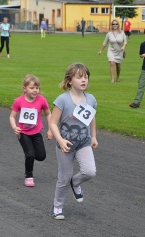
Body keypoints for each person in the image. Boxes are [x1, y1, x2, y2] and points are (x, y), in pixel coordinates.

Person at [49, 62, 98, 220]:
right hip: (66, 145)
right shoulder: (62, 100)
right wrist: (60, 140)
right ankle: (57, 206)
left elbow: (92, 118)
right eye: (79, 77)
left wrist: (94, 136)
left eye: (86, 77)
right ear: (70, 80)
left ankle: (75, 183)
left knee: (89, 171)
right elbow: (52, 123)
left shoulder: (90, 99)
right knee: (64, 177)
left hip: (83, 142)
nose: (84, 80)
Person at [9, 74, 53, 187]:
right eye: (32, 88)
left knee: (41, 156)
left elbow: (48, 114)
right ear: (24, 89)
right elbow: (12, 116)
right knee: (30, 155)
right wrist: (15, 127)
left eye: (37, 88)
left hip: (36, 132)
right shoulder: (19, 101)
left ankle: (30, 154)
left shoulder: (42, 100)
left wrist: (50, 129)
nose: (35, 90)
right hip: (23, 132)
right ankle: (29, 176)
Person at [98, 19, 127, 83]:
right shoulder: (109, 34)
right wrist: (100, 51)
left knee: (118, 65)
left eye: (116, 24)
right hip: (111, 50)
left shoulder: (122, 33)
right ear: (111, 25)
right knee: (112, 63)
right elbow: (105, 43)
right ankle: (112, 79)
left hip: (119, 51)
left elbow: (125, 42)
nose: (115, 25)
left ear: (118, 25)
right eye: (113, 24)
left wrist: (123, 47)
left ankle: (118, 76)